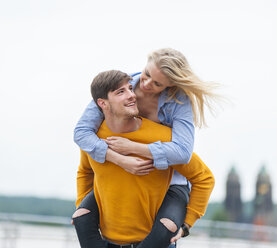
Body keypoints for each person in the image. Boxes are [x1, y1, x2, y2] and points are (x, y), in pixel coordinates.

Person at [73, 48, 220, 247]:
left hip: (170, 175)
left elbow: (183, 154)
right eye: (147, 74)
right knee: (82, 217)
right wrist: (120, 159)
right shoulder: (120, 88)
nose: (146, 83)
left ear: (170, 85)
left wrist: (133, 147)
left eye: (157, 83)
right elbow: (81, 135)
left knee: (165, 227)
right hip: (120, 185)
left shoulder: (178, 102)